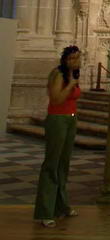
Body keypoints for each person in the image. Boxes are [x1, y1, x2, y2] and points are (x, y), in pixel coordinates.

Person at [34, 45, 82, 227]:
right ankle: (45, 211)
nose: (76, 61)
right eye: (72, 58)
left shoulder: (74, 74)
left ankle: (61, 205)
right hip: (57, 120)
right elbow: (56, 99)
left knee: (64, 164)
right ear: (65, 59)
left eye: (78, 58)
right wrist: (69, 85)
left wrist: (73, 83)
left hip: (70, 120)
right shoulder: (58, 74)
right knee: (52, 164)